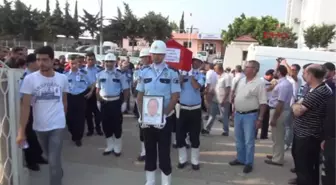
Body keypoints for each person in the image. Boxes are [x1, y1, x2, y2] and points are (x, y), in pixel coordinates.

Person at [17, 46, 69, 185]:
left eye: (45, 60)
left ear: (52, 60)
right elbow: (25, 106)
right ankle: (58, 171)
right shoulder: (30, 79)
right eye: (39, 60)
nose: (41, 63)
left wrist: (62, 118)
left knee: (53, 161)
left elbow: (64, 101)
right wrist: (21, 132)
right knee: (50, 158)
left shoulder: (62, 78)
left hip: (57, 125)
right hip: (39, 126)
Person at [136, 40, 181, 185]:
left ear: (164, 55)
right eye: (154, 54)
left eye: (159, 54)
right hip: (148, 120)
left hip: (165, 119)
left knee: (164, 153)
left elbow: (175, 97)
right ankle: (150, 181)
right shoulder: (144, 72)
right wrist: (142, 115)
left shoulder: (172, 73)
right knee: (149, 151)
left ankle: (165, 181)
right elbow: (139, 96)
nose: (156, 57)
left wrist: (164, 115)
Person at [291, 64, 331, 185]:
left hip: (308, 135)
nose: (303, 75)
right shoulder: (314, 89)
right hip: (303, 133)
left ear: (311, 75)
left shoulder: (319, 91)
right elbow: (299, 104)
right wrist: (297, 104)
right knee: (303, 165)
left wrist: (295, 105)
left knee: (305, 167)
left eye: (305, 73)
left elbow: (298, 111)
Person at [229, 60, 267, 173]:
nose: (244, 68)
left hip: (250, 116)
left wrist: (260, 119)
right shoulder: (241, 80)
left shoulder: (259, 83)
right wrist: (234, 110)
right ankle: (240, 158)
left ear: (254, 70)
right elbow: (237, 95)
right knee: (238, 139)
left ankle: (248, 162)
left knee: (248, 141)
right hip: (238, 114)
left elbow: (263, 103)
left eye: (247, 67)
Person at [96, 53, 130, 156]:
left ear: (115, 63)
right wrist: (97, 100)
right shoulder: (100, 74)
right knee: (106, 125)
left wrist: (124, 102)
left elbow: (126, 90)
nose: (109, 64)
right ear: (104, 62)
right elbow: (98, 89)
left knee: (117, 125)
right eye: (107, 62)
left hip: (116, 102)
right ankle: (109, 146)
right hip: (104, 102)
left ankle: (117, 147)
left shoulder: (120, 74)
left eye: (111, 62)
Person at [176, 54, 205, 171]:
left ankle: (195, 161)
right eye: (194, 61)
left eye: (198, 62)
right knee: (179, 136)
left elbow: (197, 86)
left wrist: (191, 76)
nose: (195, 63)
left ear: (201, 64)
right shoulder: (182, 74)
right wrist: (182, 78)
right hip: (182, 109)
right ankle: (182, 159)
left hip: (195, 110)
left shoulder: (201, 75)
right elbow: (177, 87)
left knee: (194, 136)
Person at [20, 54, 47, 171]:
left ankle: (37, 156)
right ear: (31, 63)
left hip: (36, 108)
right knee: (29, 136)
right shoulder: (26, 76)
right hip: (28, 109)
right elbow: (22, 97)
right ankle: (31, 160)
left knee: (36, 135)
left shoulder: (35, 76)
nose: (41, 63)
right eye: (38, 61)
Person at [264, 65, 293, 166]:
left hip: (279, 111)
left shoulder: (284, 85)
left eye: (275, 71)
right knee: (275, 136)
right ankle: (276, 155)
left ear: (279, 72)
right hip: (278, 110)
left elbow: (280, 103)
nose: (274, 73)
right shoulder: (281, 83)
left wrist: (274, 118)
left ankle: (278, 159)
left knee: (278, 136)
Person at [64, 57, 94, 147]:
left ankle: (78, 137)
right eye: (72, 63)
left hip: (81, 97)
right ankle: (73, 133)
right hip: (69, 97)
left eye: (75, 63)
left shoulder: (84, 74)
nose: (73, 65)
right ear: (69, 64)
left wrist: (91, 92)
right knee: (69, 119)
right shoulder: (65, 75)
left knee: (80, 118)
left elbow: (92, 83)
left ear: (78, 64)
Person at [202, 63, 231, 136]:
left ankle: (225, 131)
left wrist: (224, 100)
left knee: (224, 115)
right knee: (212, 114)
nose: (214, 71)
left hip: (223, 99)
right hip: (215, 98)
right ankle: (207, 129)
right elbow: (215, 87)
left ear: (219, 69)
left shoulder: (227, 77)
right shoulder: (217, 76)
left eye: (215, 69)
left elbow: (228, 89)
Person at [134, 48, 151, 161]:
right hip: (142, 101)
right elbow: (135, 88)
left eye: (145, 57)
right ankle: (144, 151)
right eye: (142, 57)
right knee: (143, 129)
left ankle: (153, 150)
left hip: (153, 103)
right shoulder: (138, 71)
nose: (144, 59)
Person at [85, 52, 103, 136]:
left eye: (92, 59)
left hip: (96, 91)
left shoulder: (99, 70)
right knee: (88, 113)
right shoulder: (82, 70)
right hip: (86, 92)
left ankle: (98, 128)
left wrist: (92, 90)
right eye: (89, 59)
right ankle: (90, 129)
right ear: (86, 60)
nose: (91, 61)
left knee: (98, 112)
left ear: (95, 60)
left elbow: (97, 81)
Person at [321, 89, 336, 185]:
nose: (334, 77)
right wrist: (325, 138)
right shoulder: (332, 97)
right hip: (330, 140)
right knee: (327, 173)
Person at [258, 69, 275, 139]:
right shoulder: (261, 81)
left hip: (269, 103)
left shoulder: (271, 82)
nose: (273, 78)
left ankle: (264, 135)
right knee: (258, 119)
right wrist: (271, 87)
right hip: (261, 102)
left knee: (266, 120)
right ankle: (254, 134)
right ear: (269, 75)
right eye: (272, 76)